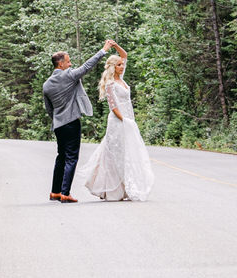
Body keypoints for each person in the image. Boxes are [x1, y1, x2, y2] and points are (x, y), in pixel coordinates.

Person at [43, 39, 115, 202]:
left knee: (61, 156)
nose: (70, 64)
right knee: (71, 157)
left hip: (58, 124)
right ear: (60, 64)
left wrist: (57, 120)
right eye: (68, 62)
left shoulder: (46, 85)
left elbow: (49, 109)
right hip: (71, 123)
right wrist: (103, 50)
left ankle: (55, 192)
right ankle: (65, 193)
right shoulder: (68, 76)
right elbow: (87, 66)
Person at [82, 40, 155, 201]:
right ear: (113, 67)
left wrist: (114, 46)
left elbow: (125, 55)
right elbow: (113, 106)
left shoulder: (121, 79)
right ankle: (111, 189)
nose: (122, 66)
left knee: (128, 151)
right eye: (119, 65)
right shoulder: (110, 83)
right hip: (117, 121)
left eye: (122, 65)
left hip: (128, 118)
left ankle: (126, 187)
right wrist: (125, 120)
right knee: (115, 152)